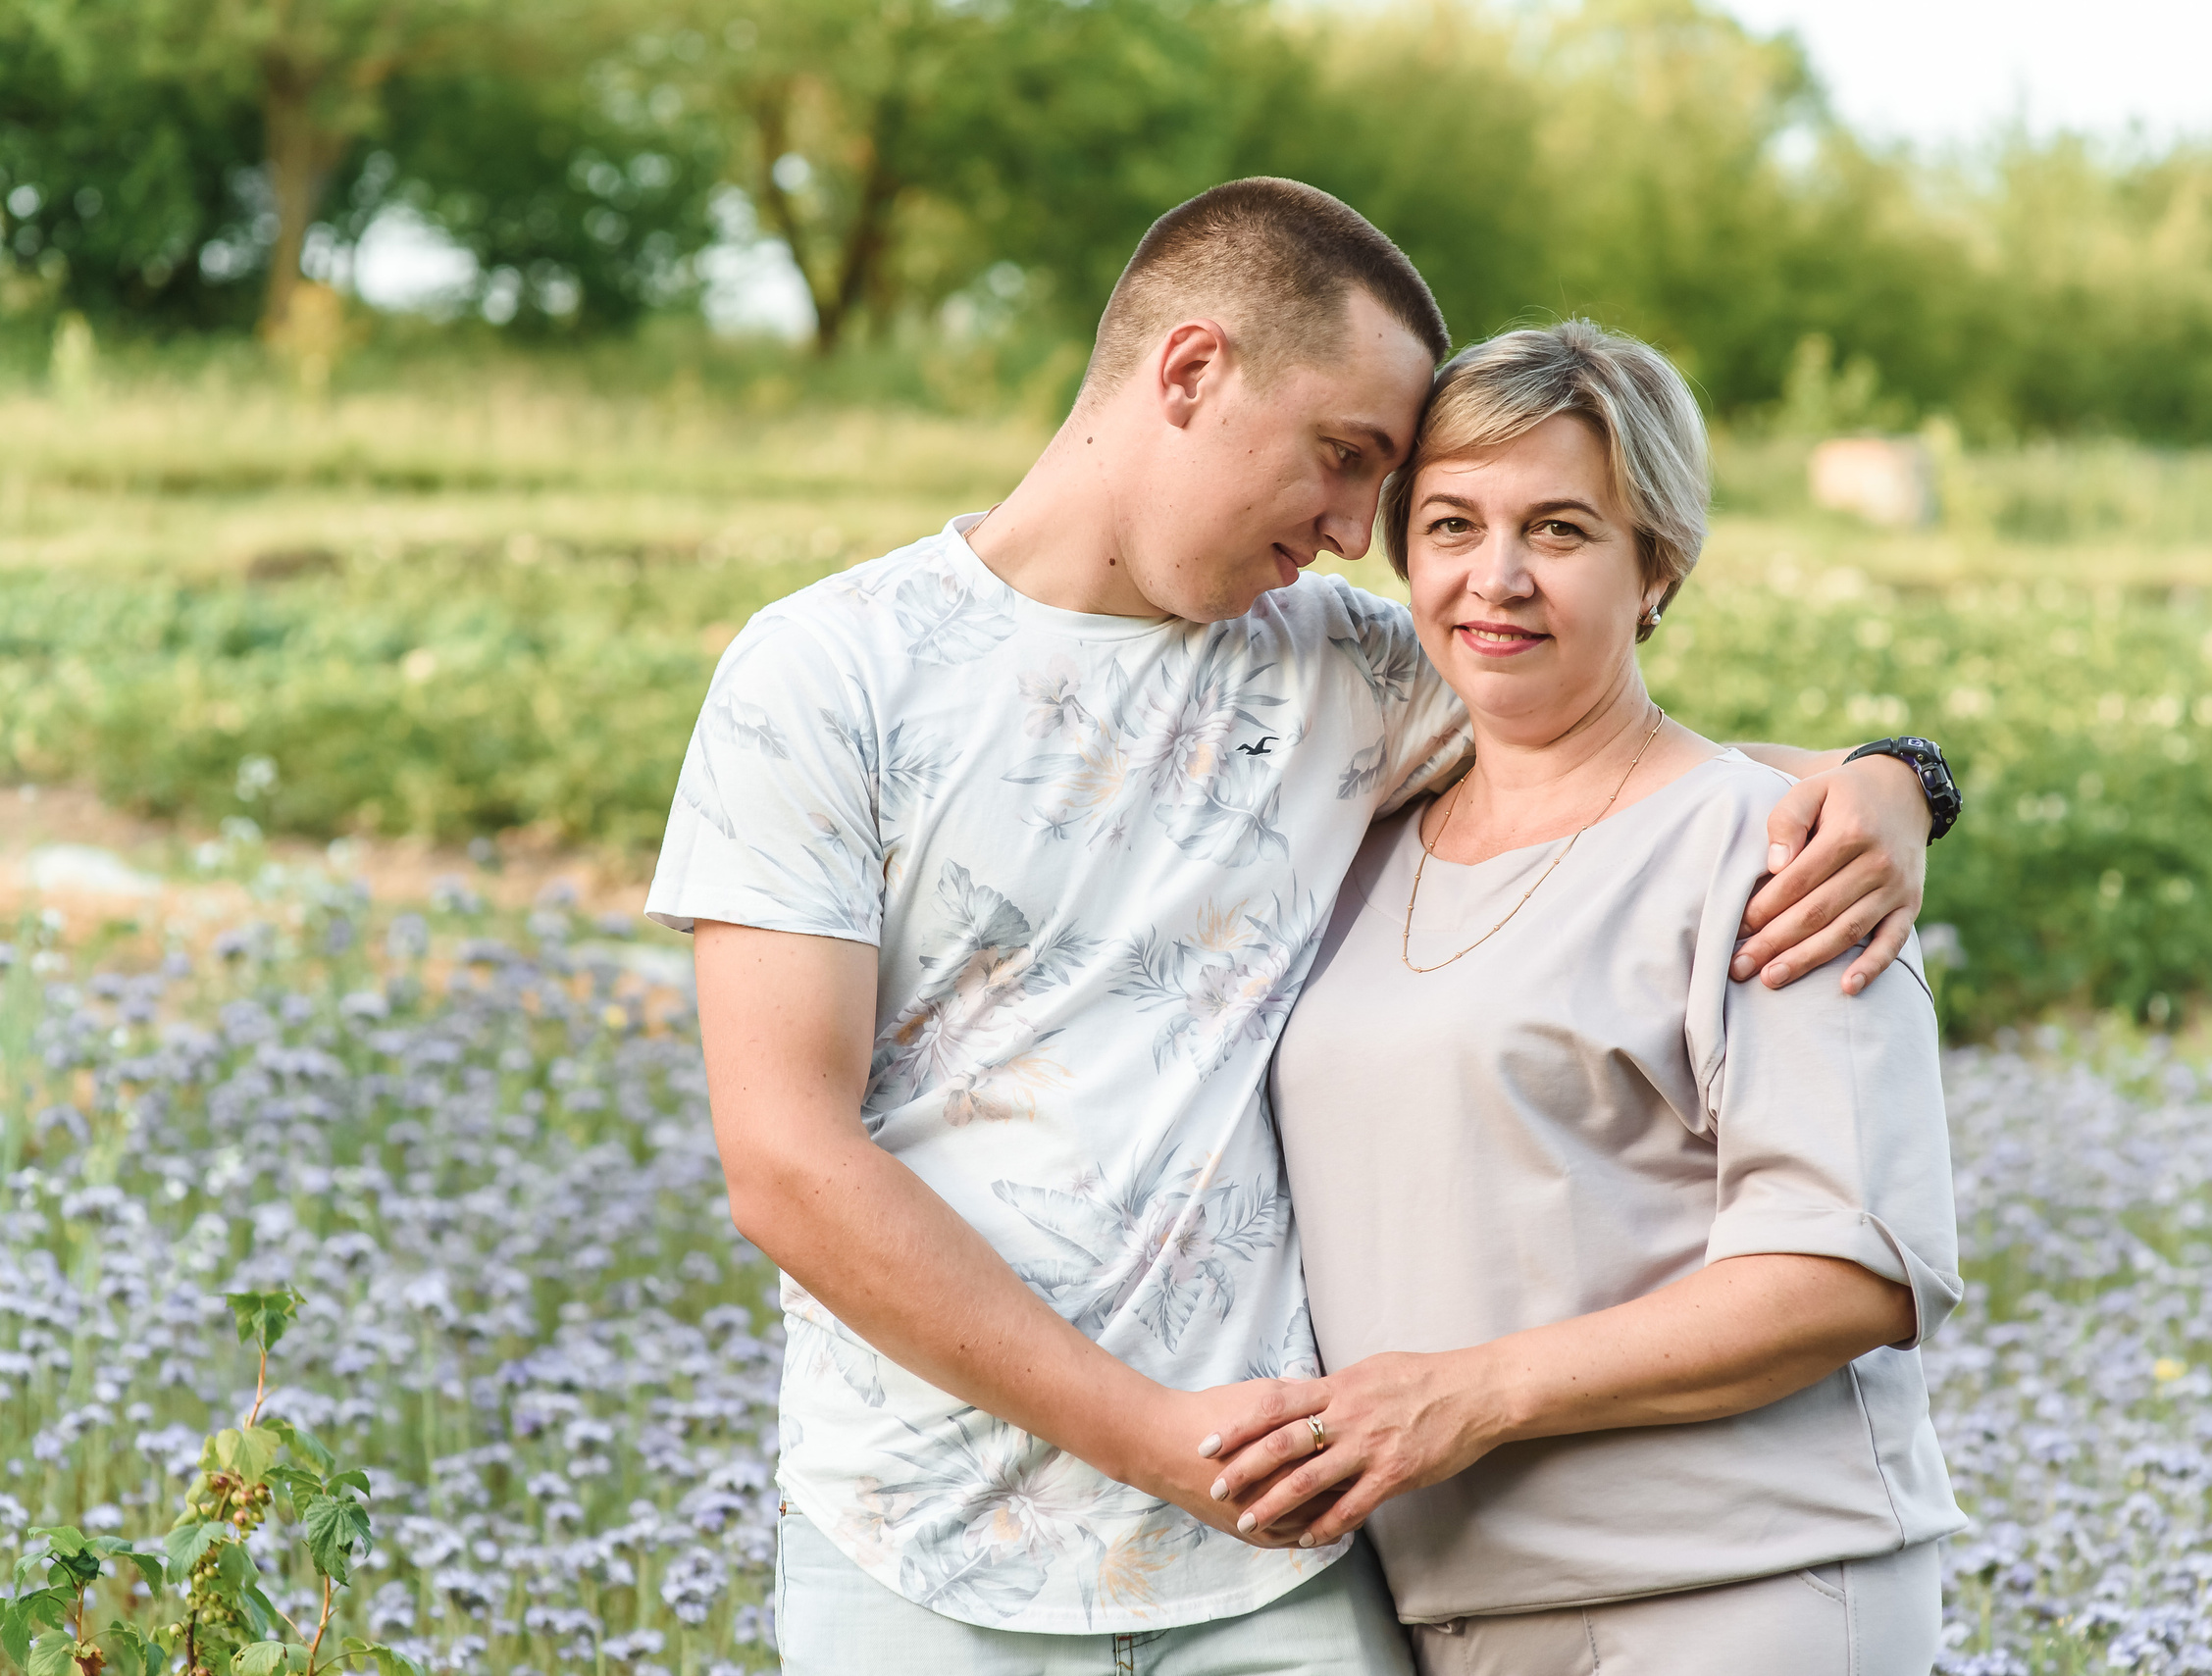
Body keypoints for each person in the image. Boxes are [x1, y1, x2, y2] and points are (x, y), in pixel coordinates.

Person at [647, 179, 1944, 1672]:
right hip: (919, 1537)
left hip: (1285, 1563)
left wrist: (1891, 781)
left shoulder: (1342, 665)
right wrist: (1150, 1437)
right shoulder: (829, 675)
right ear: (1191, 371)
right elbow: (790, 1166)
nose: (1351, 535)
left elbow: (1634, 755)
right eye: (1349, 464)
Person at [1198, 320, 1964, 1675]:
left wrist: (1468, 1396)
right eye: (1449, 524)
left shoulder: (1780, 855)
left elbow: (1844, 1269)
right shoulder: (1358, 841)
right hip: (1452, 1603)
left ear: (1655, 563)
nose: (1495, 578)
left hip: (1743, 1586)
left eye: (1558, 529)